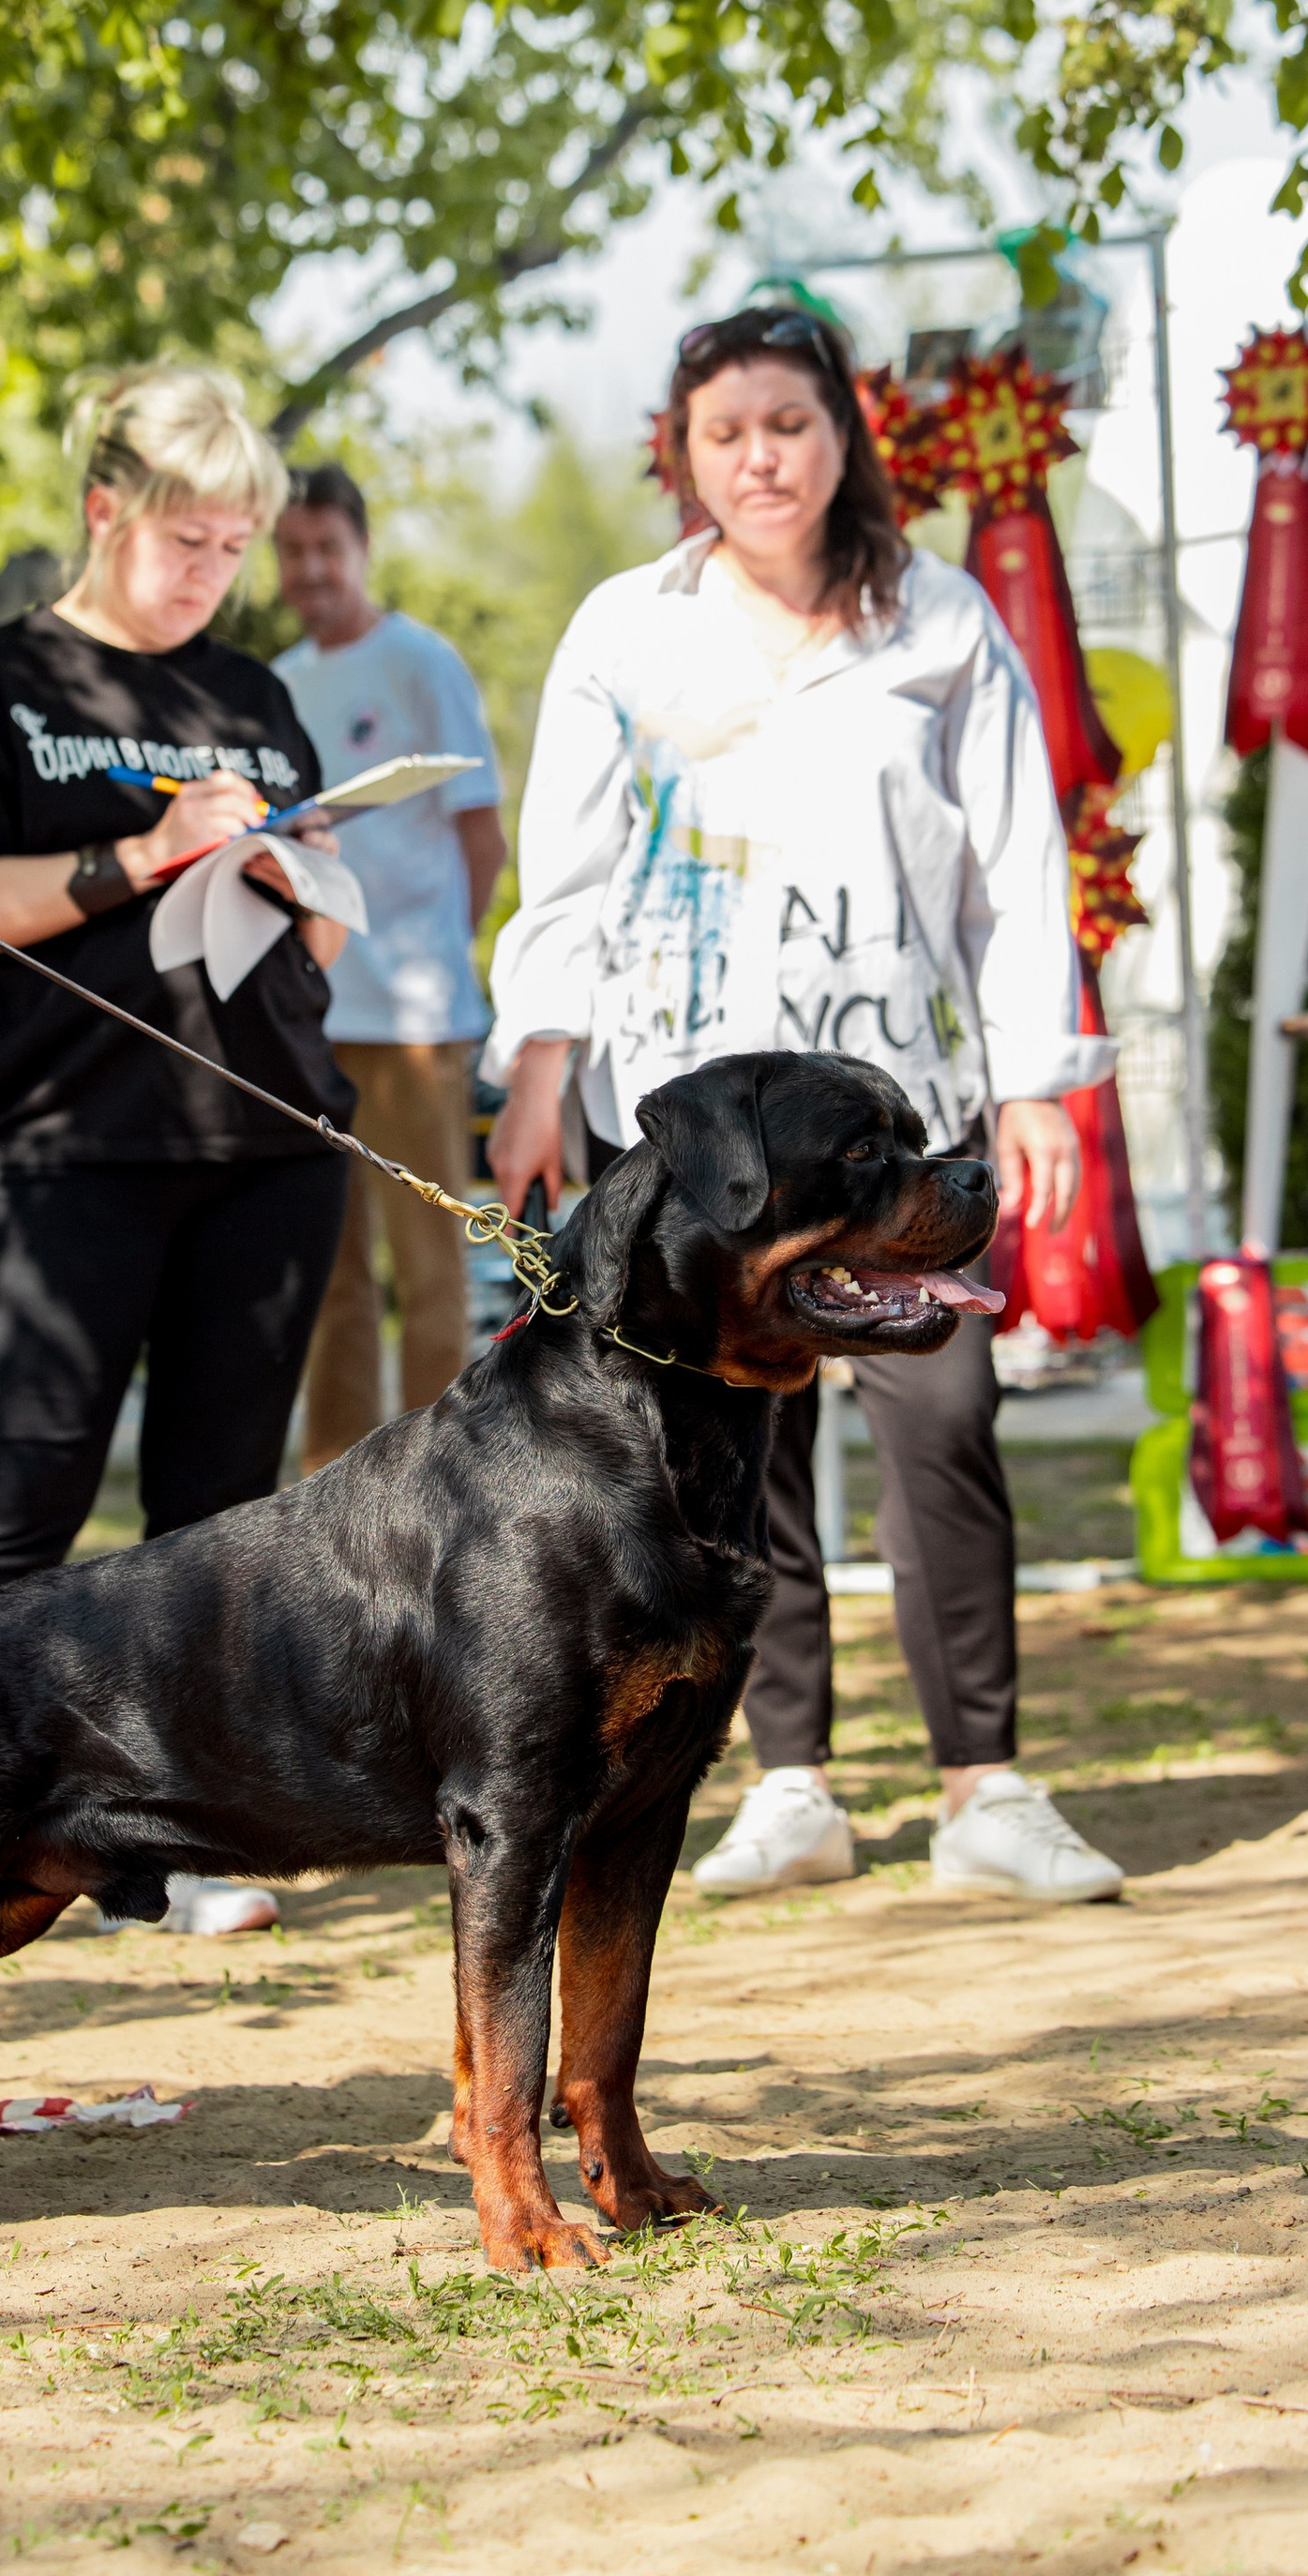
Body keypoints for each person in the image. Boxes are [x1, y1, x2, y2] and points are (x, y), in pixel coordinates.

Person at [485, 305, 1123, 1906]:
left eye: (788, 421)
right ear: (682, 454)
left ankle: (985, 1777)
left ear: (845, 431)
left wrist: (1040, 1075)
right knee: (739, 1447)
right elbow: (561, 867)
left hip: (898, 1116)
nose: (759, 457)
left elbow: (1020, 869)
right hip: (698, 1135)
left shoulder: (944, 621)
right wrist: (537, 1064)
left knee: (945, 1413)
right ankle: (790, 1776)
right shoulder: (627, 629)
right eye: (724, 432)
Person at [0, 367, 353, 1933]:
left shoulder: (255, 696)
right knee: (20, 1498)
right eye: (184, 537)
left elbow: (323, 921)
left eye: (233, 544)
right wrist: (139, 853)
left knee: (220, 1511)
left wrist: (304, 879)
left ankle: (166, 1842)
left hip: (273, 1137)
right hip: (71, 1142)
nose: (210, 570)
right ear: (104, 508)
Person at [272, 466, 505, 1468]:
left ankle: (448, 1477)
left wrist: (439, 947)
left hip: (415, 1016)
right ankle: (337, 1481)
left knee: (428, 1264)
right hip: (312, 1013)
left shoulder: (420, 660)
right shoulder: (277, 680)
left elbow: (482, 833)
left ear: (361, 549)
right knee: (330, 1275)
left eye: (329, 546)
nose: (312, 568)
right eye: (293, 550)